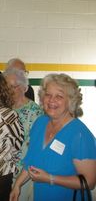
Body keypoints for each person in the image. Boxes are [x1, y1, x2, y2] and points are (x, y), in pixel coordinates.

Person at [10, 73, 96, 201]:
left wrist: (50, 178)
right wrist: (17, 185)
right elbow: (30, 161)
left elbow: (89, 182)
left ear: (70, 101)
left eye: (59, 96)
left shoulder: (80, 135)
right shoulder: (40, 123)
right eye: (48, 95)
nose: (51, 100)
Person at [3, 68, 43, 201]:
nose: (8, 90)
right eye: (6, 86)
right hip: (2, 172)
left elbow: (37, 148)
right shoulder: (2, 109)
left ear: (24, 88)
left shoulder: (35, 113)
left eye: (13, 87)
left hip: (24, 173)